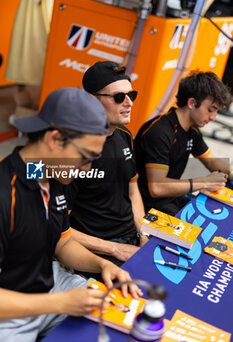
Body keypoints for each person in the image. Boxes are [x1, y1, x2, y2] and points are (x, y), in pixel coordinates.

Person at [0, 87, 142, 341]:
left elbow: (62, 241)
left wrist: (103, 264)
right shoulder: (4, 195)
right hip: (10, 310)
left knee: (123, 306)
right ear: (54, 139)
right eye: (85, 157)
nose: (87, 169)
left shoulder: (51, 175)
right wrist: (60, 304)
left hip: (50, 282)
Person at [68, 61, 148, 272]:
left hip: (132, 239)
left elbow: (132, 192)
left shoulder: (124, 135)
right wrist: (114, 249)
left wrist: (143, 235)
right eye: (119, 97)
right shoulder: (71, 151)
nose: (129, 103)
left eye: (132, 95)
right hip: (97, 251)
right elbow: (55, 227)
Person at [134, 71, 233, 216]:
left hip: (171, 199)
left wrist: (230, 173)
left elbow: (212, 162)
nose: (213, 117)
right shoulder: (160, 132)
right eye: (210, 110)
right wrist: (205, 182)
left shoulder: (191, 129)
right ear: (192, 103)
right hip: (146, 205)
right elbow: (156, 188)